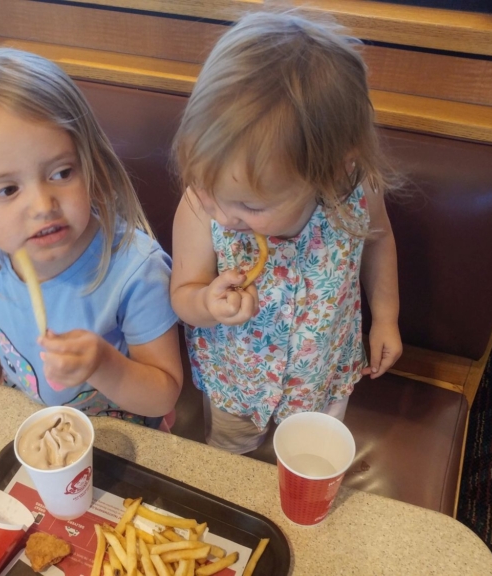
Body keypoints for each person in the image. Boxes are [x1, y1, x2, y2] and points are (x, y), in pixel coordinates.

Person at [0, 48, 182, 428]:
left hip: (121, 438)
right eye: (8, 190)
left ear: (90, 164)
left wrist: (103, 364)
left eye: (62, 172)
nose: (43, 204)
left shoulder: (135, 270)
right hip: (32, 422)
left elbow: (163, 394)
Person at [170, 11, 402, 453]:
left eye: (250, 206)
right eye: (211, 191)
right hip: (235, 386)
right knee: (229, 464)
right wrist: (208, 303)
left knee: (309, 458)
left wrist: (386, 318)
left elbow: (379, 242)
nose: (223, 216)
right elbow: (183, 295)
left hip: (321, 378)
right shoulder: (200, 206)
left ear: (332, 170)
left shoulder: (356, 193)